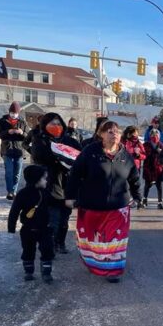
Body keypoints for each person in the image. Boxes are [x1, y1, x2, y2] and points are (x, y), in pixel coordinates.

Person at [65, 120, 142, 283]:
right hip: (91, 206)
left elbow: (134, 178)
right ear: (101, 134)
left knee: (115, 241)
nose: (114, 134)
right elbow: (75, 174)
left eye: (117, 131)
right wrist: (70, 196)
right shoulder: (90, 152)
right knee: (93, 241)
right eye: (110, 131)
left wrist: (137, 196)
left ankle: (113, 270)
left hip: (118, 207)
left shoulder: (125, 155)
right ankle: (93, 263)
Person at [28, 113, 82, 254]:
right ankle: (49, 245)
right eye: (52, 124)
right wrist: (60, 157)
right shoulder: (41, 141)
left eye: (58, 123)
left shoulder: (70, 141)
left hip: (68, 185)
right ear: (44, 125)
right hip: (50, 185)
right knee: (53, 219)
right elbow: (41, 157)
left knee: (64, 218)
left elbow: (80, 157)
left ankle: (60, 242)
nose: (56, 127)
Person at [7, 165, 55, 283]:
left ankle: (46, 273)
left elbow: (55, 202)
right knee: (28, 251)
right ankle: (28, 271)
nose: (46, 180)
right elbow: (14, 211)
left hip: (44, 228)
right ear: (36, 180)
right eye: (44, 178)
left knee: (47, 250)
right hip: (28, 229)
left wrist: (67, 202)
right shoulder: (23, 194)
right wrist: (11, 227)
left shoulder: (45, 193)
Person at [0, 101, 28, 200]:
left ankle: (14, 191)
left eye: (16, 113)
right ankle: (10, 192)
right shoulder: (2, 121)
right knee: (9, 172)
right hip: (7, 150)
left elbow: (28, 137)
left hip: (19, 151)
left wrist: (22, 133)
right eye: (12, 113)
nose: (14, 115)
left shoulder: (23, 122)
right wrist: (8, 131)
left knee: (17, 173)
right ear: (9, 112)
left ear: (19, 113)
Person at [122, 126, 146, 208]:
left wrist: (138, 154)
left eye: (136, 134)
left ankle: (138, 200)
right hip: (123, 166)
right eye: (134, 133)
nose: (135, 135)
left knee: (136, 184)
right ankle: (127, 200)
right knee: (125, 185)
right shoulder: (123, 142)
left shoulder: (138, 143)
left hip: (135, 166)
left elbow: (144, 155)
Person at [142, 128, 163, 209]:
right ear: (150, 136)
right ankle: (144, 200)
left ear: (159, 136)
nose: (154, 136)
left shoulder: (162, 145)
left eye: (156, 134)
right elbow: (142, 155)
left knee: (159, 186)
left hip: (158, 169)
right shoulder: (146, 145)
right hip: (148, 168)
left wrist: (161, 152)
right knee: (147, 185)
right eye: (152, 135)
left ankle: (160, 202)